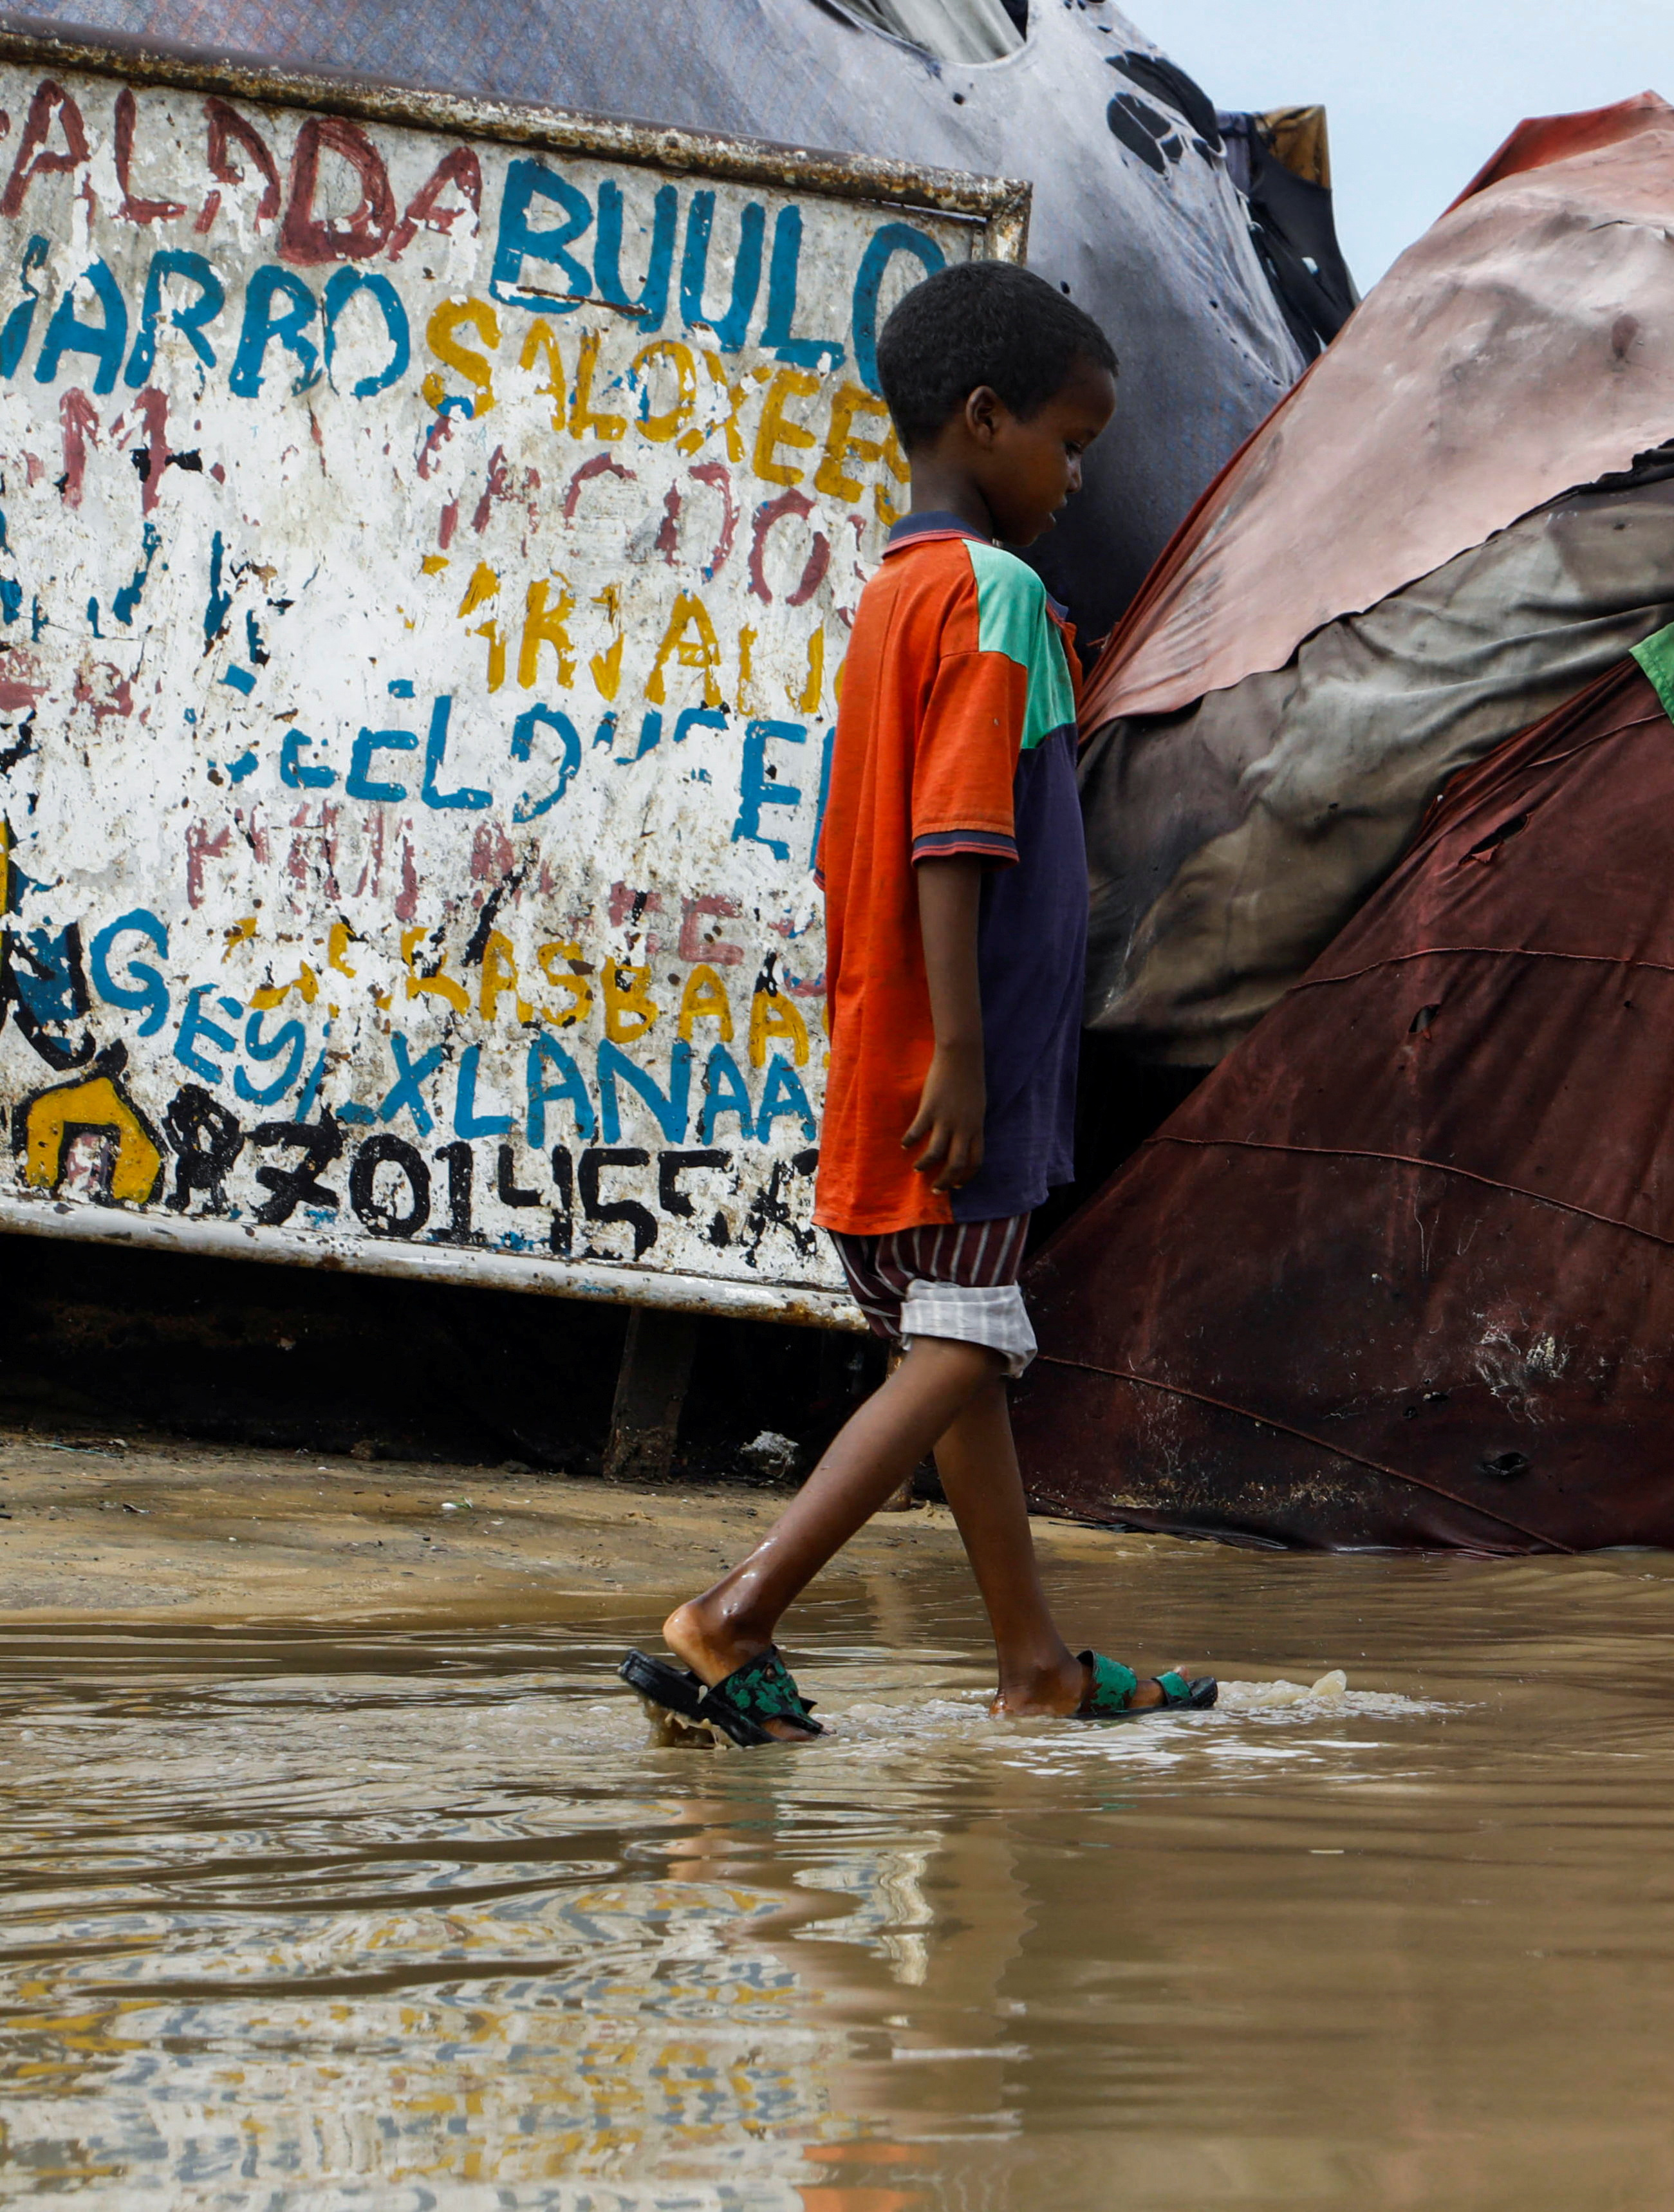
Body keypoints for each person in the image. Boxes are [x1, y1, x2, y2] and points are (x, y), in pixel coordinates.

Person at [620, 260, 1207, 1742]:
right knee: (969, 1343)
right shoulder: (996, 596)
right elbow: (957, 838)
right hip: (966, 1059)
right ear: (986, 417)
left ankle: (1036, 1667)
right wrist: (962, 1051)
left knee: (961, 1348)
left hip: (898, 1042)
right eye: (1070, 444)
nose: (1078, 478)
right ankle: (733, 1615)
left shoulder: (894, 593)